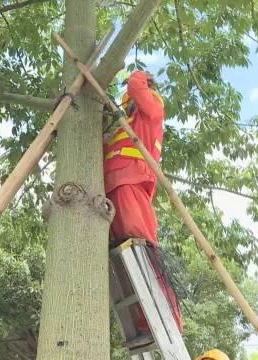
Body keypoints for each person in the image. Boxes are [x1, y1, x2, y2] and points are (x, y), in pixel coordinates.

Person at [103, 70, 183, 342]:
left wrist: (138, 75)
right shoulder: (123, 129)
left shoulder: (152, 113)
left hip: (131, 183)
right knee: (123, 259)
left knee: (141, 248)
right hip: (112, 189)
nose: (129, 105)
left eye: (129, 101)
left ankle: (167, 319)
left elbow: (138, 87)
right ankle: (143, 320)